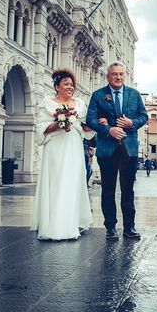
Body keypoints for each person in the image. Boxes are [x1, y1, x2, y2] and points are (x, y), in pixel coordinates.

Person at [86, 62, 148, 241]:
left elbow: (143, 116)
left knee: (128, 190)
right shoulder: (98, 95)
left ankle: (129, 227)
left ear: (125, 76)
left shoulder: (134, 95)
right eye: (114, 74)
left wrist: (132, 123)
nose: (118, 77)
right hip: (107, 149)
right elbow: (90, 119)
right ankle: (110, 228)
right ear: (108, 76)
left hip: (129, 149)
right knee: (108, 190)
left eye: (121, 74)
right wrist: (108, 130)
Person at [31, 69, 93, 240]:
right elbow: (42, 127)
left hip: (73, 145)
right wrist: (60, 123)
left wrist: (97, 124)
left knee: (72, 181)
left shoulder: (79, 104)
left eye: (72, 85)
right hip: (56, 147)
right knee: (57, 181)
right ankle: (54, 225)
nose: (70, 87)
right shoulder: (48, 103)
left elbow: (84, 127)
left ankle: (70, 223)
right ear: (57, 86)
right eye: (66, 84)